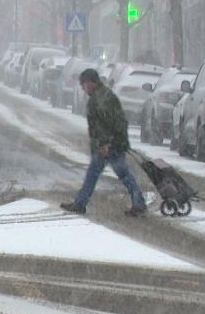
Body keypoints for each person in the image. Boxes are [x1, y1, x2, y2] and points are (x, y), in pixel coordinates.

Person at [61, 68, 147, 216]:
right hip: (107, 145)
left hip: (110, 146)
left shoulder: (102, 99)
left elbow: (112, 123)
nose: (82, 87)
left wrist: (107, 143)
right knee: (103, 174)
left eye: (83, 84)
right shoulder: (100, 96)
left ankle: (81, 203)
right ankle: (81, 203)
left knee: (118, 174)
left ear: (92, 82)